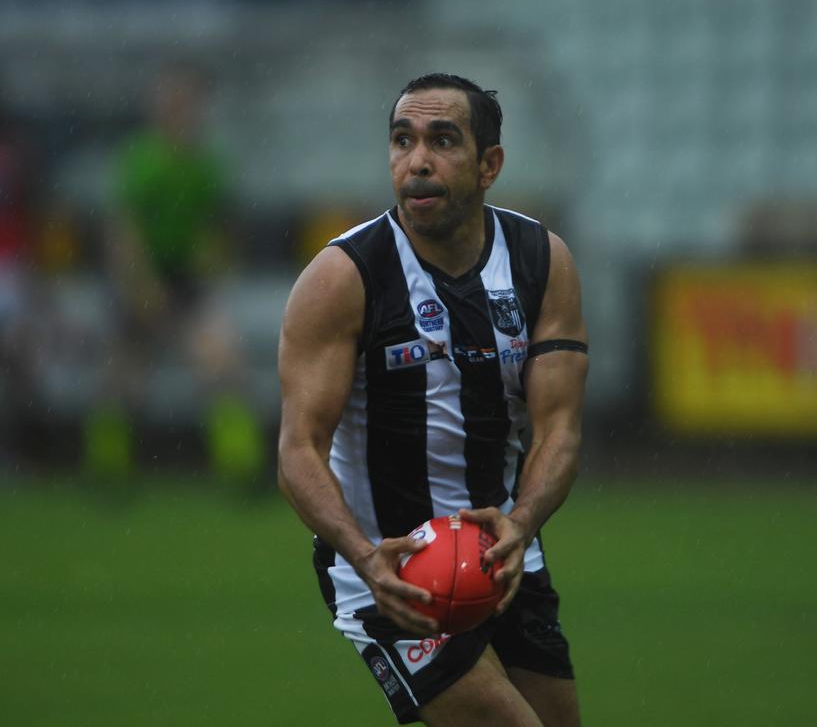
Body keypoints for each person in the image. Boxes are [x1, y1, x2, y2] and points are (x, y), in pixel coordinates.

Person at [277, 73, 588, 726]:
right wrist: (366, 560)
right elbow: (299, 450)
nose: (416, 160)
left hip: (503, 553)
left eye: (442, 140)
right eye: (402, 140)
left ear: (489, 165)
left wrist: (522, 524)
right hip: (388, 566)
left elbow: (558, 427)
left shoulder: (540, 261)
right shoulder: (343, 277)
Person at [86, 63, 264, 482]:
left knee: (221, 363)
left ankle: (240, 467)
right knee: (123, 375)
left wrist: (214, 255)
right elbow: (123, 231)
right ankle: (107, 468)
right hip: (140, 275)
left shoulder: (207, 163)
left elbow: (220, 225)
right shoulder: (142, 159)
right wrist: (140, 285)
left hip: (184, 277)